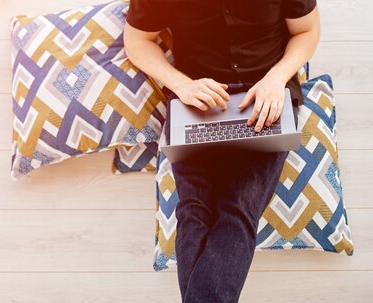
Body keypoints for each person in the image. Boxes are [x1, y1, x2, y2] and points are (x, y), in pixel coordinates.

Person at [123, 0, 320, 302]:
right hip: (197, 103)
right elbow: (137, 41)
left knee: (239, 207)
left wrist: (276, 78)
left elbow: (307, 30)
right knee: (194, 211)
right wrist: (182, 85)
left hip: (265, 101)